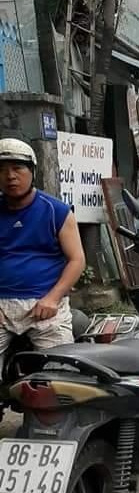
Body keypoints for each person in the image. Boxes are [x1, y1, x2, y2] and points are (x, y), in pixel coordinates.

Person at [0, 138, 85, 369]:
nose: (10, 176)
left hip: (45, 305)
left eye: (17, 168)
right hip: (1, 305)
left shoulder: (56, 210)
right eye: (2, 170)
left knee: (61, 375)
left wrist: (53, 298)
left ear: (32, 171)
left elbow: (77, 260)